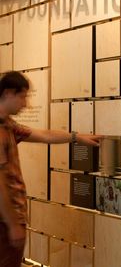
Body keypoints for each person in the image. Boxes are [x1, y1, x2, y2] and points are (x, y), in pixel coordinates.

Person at [0, 71, 102, 267]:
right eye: (23, 96)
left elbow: (44, 135)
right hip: (5, 222)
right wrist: (12, 224)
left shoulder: (9, 126)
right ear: (8, 93)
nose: (26, 103)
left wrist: (76, 137)